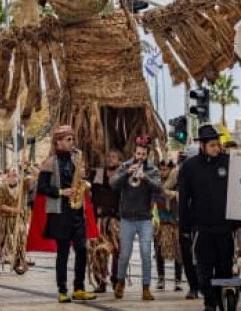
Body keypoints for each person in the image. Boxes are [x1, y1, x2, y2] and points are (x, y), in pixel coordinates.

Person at [31, 125, 97, 303]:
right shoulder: (50, 162)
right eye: (68, 139)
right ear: (58, 142)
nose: (71, 142)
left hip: (77, 213)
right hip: (60, 214)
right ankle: (62, 290)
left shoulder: (76, 159)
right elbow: (42, 188)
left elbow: (80, 183)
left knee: (82, 250)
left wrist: (81, 178)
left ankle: (79, 288)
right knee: (63, 253)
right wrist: (61, 192)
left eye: (72, 139)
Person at [178, 124, 239, 311]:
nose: (217, 148)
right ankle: (209, 303)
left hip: (225, 227)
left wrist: (239, 222)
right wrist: (185, 227)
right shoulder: (189, 167)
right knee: (204, 268)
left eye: (218, 144)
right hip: (202, 227)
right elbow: (183, 199)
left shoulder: (229, 162)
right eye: (212, 145)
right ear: (202, 145)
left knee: (224, 267)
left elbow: (240, 191)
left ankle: (224, 301)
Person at [112, 136, 162, 301]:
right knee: (124, 254)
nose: (140, 156)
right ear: (134, 152)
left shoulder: (152, 170)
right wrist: (127, 173)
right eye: (138, 153)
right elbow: (113, 184)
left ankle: (146, 288)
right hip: (127, 217)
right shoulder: (125, 166)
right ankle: (120, 282)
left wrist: (145, 177)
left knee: (146, 253)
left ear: (147, 155)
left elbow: (159, 189)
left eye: (143, 154)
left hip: (145, 218)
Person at [88, 148, 121, 293]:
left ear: (119, 160)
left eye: (113, 157)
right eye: (108, 156)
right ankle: (100, 281)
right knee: (98, 251)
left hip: (115, 220)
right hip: (99, 219)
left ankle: (116, 279)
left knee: (117, 251)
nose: (110, 159)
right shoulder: (97, 174)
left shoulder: (122, 175)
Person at [155, 159, 184, 292]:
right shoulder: (155, 183)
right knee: (159, 250)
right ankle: (161, 278)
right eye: (161, 169)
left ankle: (178, 280)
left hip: (174, 223)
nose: (163, 171)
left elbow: (181, 197)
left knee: (178, 252)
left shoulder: (177, 183)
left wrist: (171, 193)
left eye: (166, 169)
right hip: (160, 223)